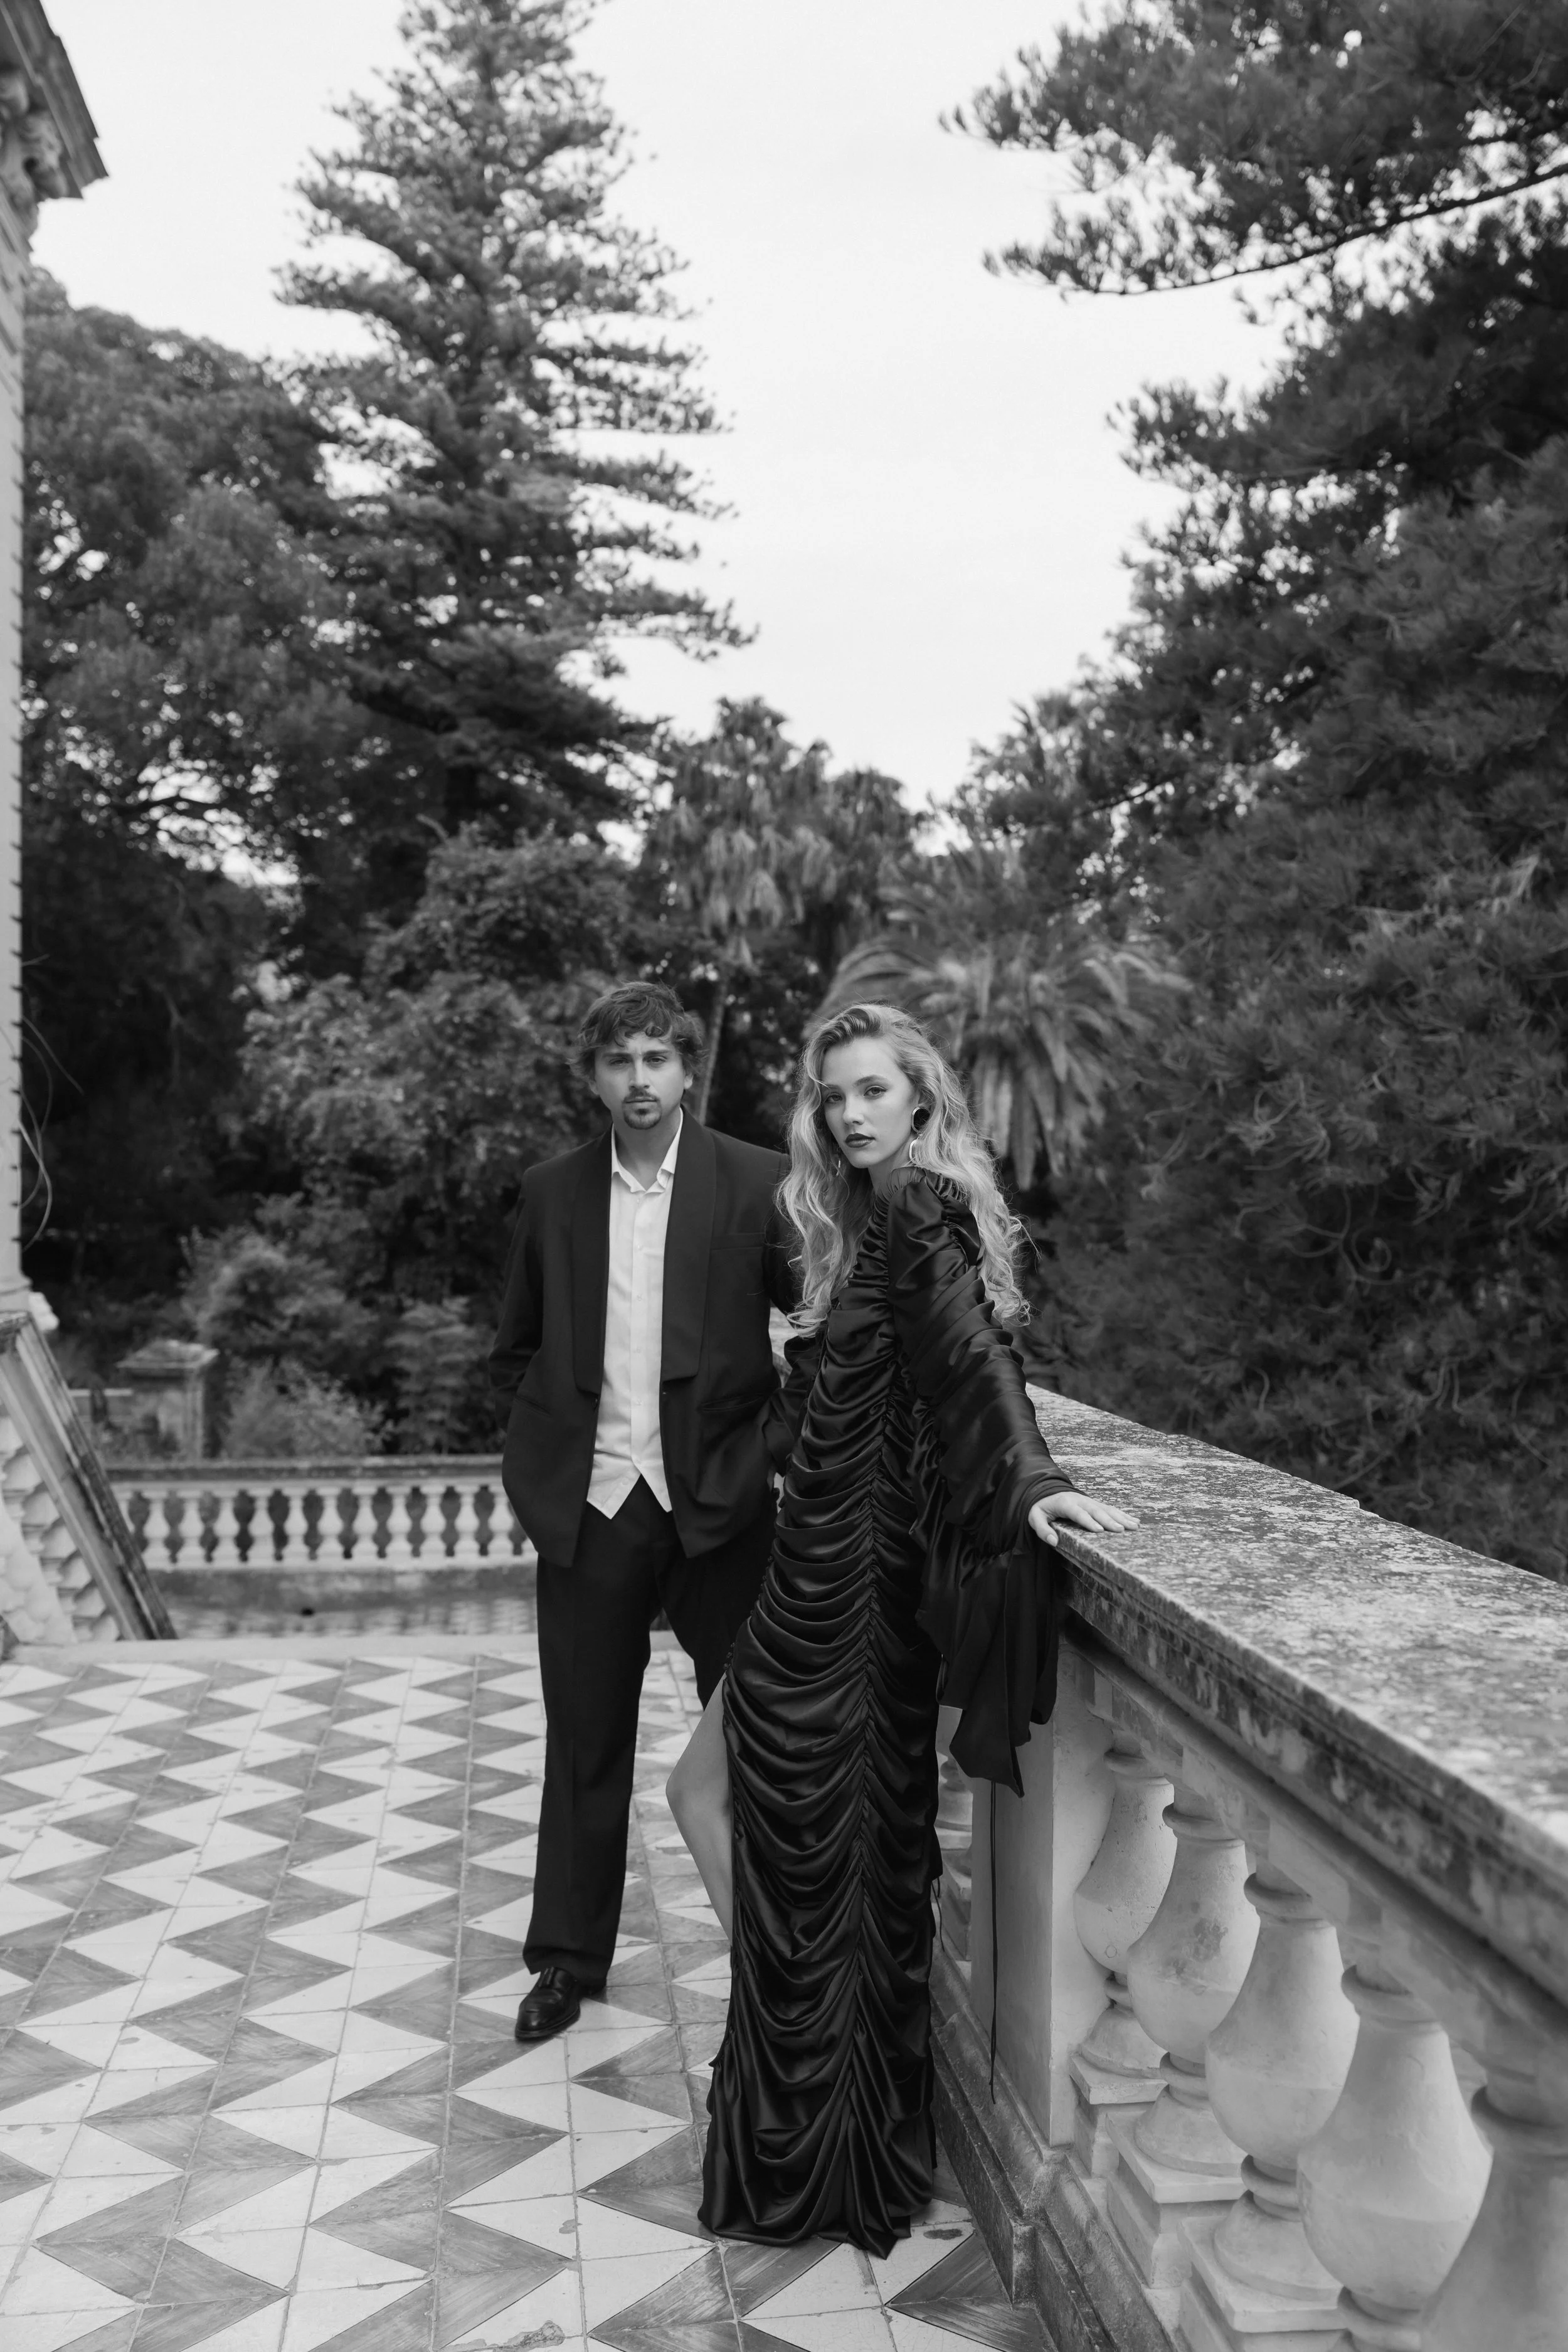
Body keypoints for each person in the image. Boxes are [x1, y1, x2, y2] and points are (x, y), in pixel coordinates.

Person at [667, 1000, 1138, 2255]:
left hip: (860, 1600)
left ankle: (810, 2075)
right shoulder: (859, 1224)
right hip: (809, 1577)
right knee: (734, 1812)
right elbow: (866, 1399)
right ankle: (805, 2049)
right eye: (832, 1095)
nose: (849, 1111)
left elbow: (976, 1363)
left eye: (871, 1089)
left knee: (778, 1828)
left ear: (921, 1100)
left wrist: (1032, 1485)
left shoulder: (920, 1207)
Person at [489, 981, 798, 2043]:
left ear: (687, 1070)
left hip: (720, 1503)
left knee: (756, 1735)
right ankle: (567, 1961)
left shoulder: (759, 1183)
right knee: (584, 1740)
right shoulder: (549, 1192)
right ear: (594, 1076)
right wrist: (541, 1473)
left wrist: (763, 1461)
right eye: (618, 1061)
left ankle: (774, 1956)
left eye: (657, 1060)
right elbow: (517, 1344)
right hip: (593, 1504)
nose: (638, 1080)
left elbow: (818, 1341)